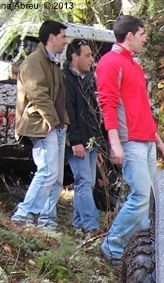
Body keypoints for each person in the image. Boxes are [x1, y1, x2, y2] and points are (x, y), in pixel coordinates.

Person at [97, 15, 164, 264]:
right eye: (142, 34)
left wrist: (158, 140)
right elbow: (107, 105)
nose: (145, 38)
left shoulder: (134, 66)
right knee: (141, 196)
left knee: (148, 199)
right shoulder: (110, 62)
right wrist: (115, 143)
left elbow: (142, 109)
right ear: (129, 36)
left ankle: (137, 251)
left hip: (145, 141)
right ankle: (113, 248)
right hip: (130, 141)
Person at [11, 20, 69, 230]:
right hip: (41, 124)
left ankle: (46, 224)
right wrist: (53, 121)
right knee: (47, 172)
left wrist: (64, 122)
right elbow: (38, 94)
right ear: (51, 37)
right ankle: (23, 215)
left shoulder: (52, 63)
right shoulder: (34, 62)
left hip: (55, 125)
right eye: (63, 36)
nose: (66, 41)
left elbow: (59, 97)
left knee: (55, 179)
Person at [64, 39, 103, 233]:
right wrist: (75, 141)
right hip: (78, 141)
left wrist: (98, 142)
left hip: (91, 140)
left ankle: (79, 224)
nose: (92, 59)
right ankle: (91, 225)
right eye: (87, 55)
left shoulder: (87, 79)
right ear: (74, 57)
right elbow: (68, 112)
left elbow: (93, 112)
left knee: (87, 183)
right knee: (84, 182)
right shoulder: (66, 79)